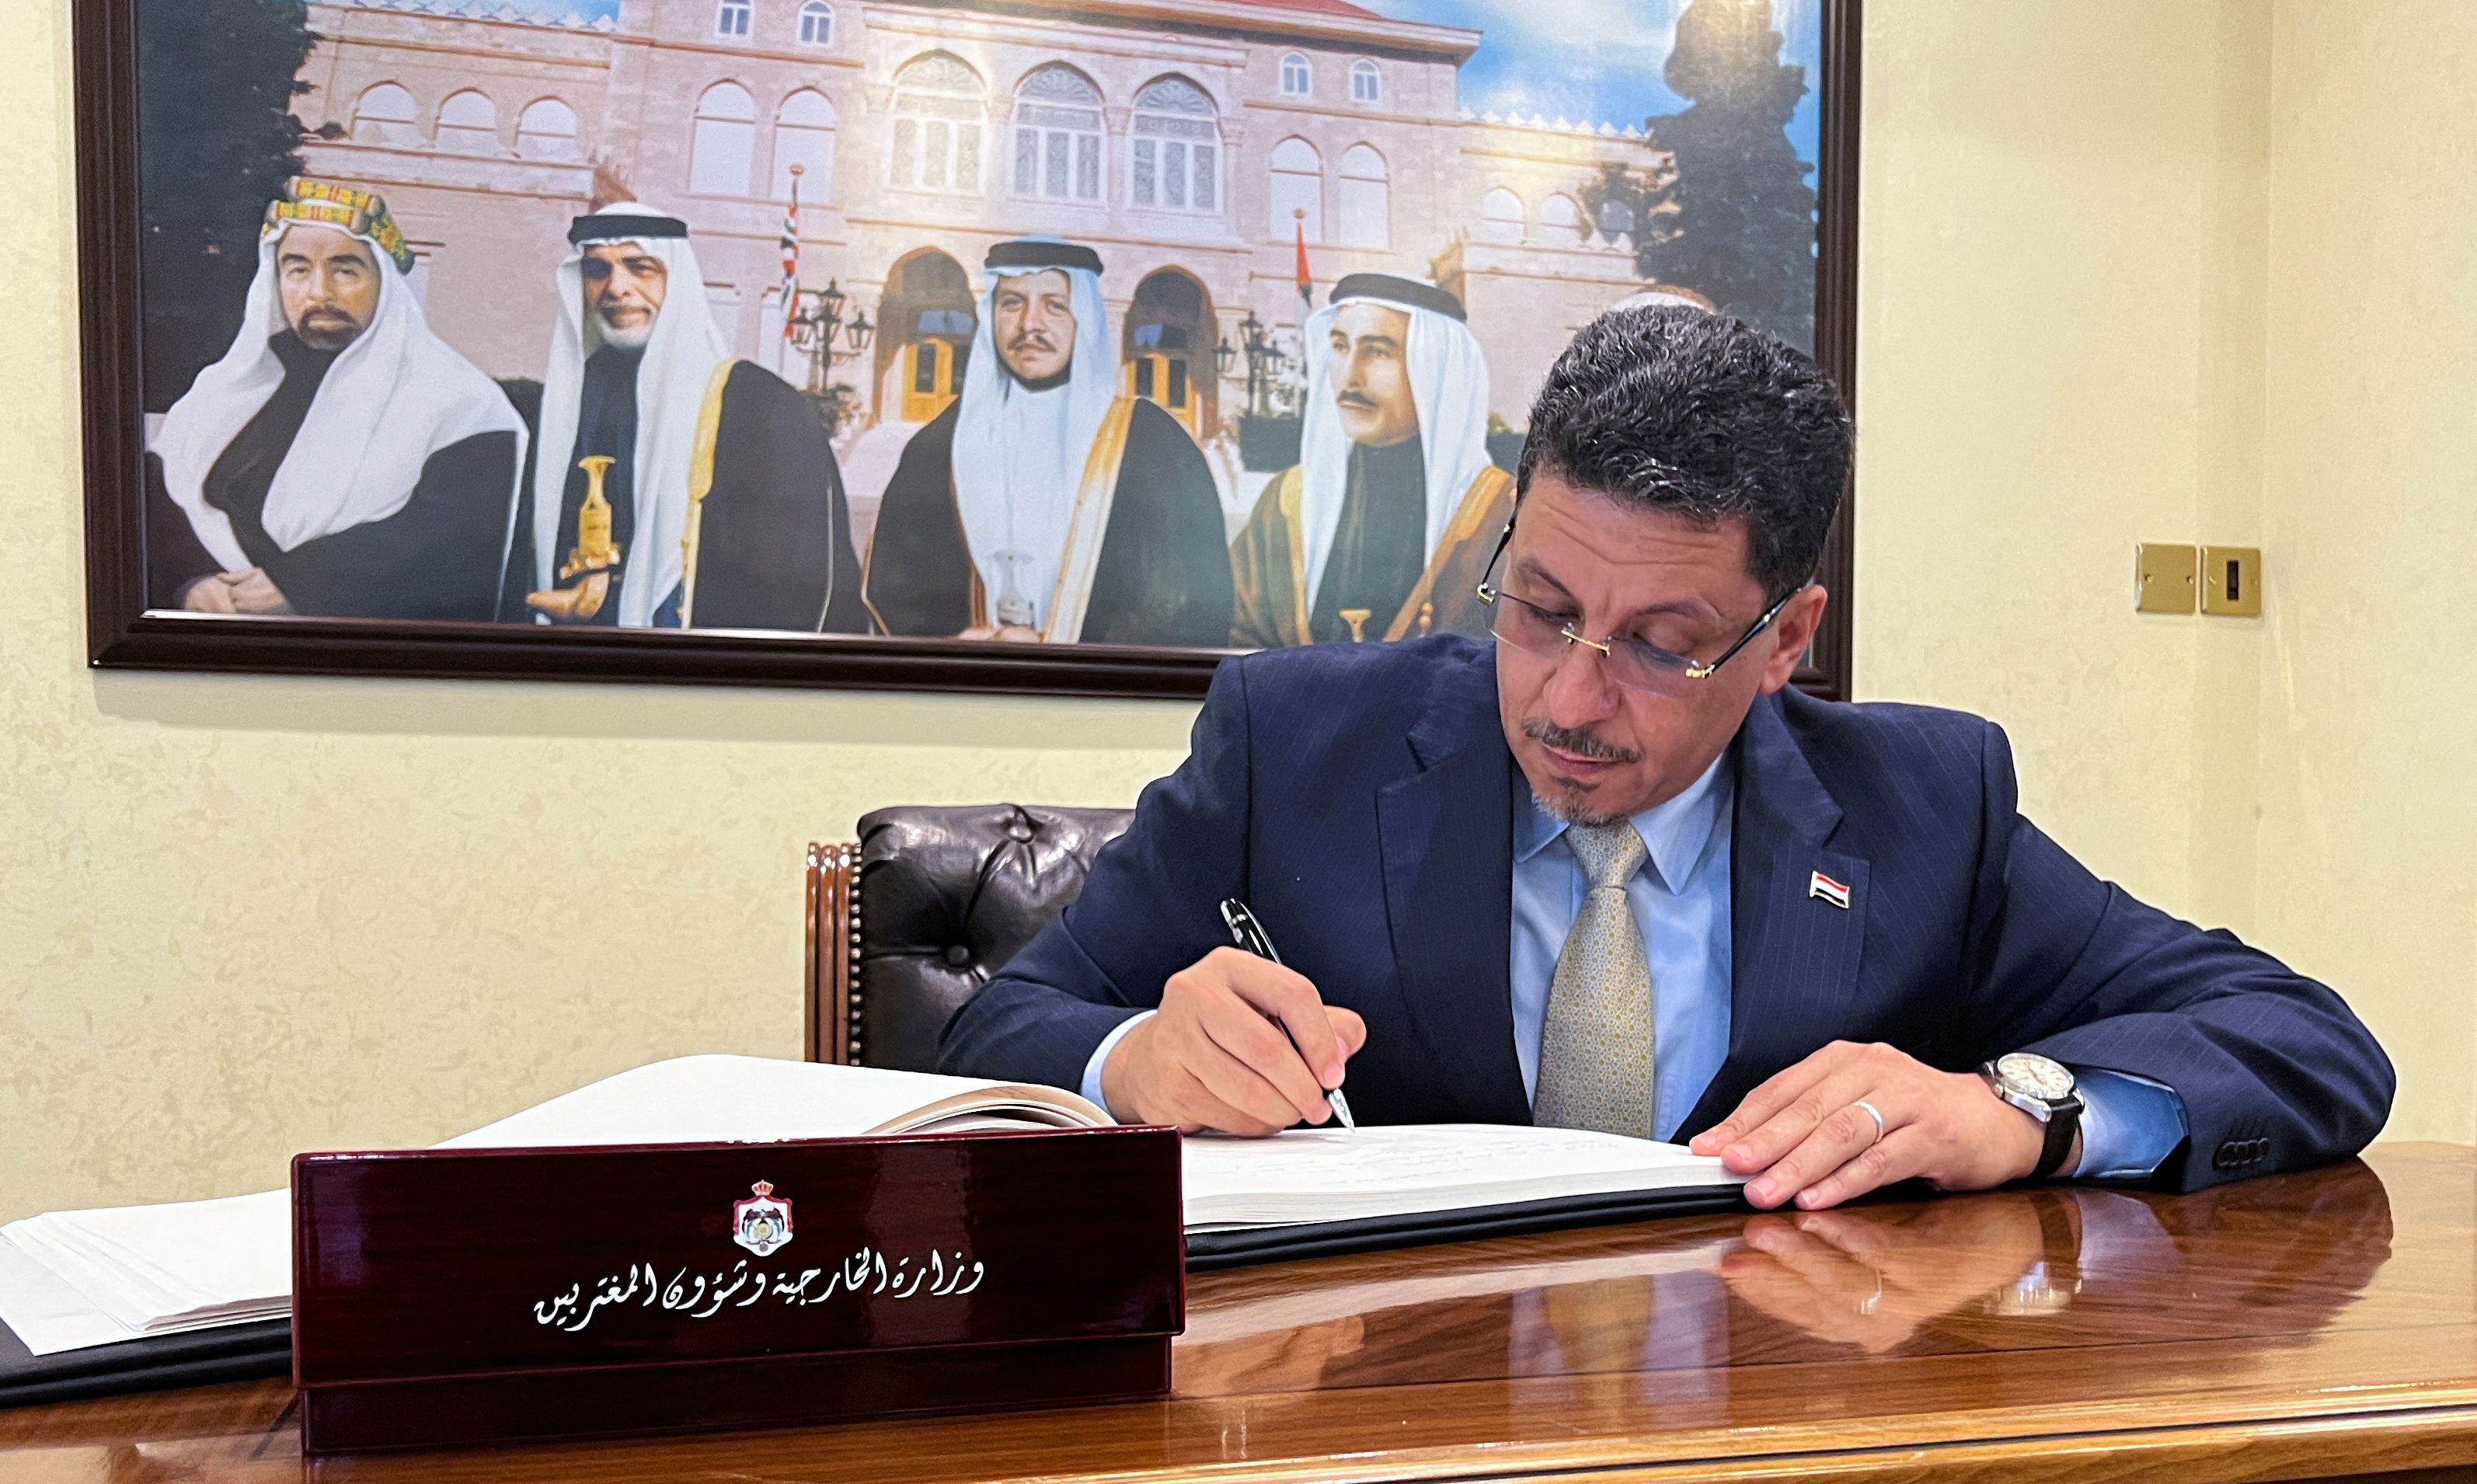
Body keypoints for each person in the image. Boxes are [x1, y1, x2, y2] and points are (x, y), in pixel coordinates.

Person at [941, 305, 2394, 1204]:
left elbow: (2301, 1038)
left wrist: (2021, 1107)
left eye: (1659, 643)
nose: (1570, 698)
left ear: (1785, 637)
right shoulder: (1292, 741)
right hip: (1370, 1456)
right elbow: (989, 1036)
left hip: (1780, 1472)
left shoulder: (1923, 805)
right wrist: (1133, 1054)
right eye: (1544, 608)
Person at [145, 178, 521, 619]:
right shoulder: (226, 390)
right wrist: (190, 580)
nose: (319, 292)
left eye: (345, 270)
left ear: (384, 283)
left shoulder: (465, 405)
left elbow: (456, 544)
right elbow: (156, 501)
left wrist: (300, 582)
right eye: (298, 268)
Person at [514, 204, 867, 632]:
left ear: (676, 280)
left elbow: (799, 587)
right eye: (596, 271)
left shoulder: (759, 406)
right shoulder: (568, 403)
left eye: (640, 267)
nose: (615, 288)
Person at [863, 238, 1232, 646]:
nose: (1030, 325)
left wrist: (1071, 648)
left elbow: (1186, 596)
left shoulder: (1153, 443)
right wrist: (964, 639)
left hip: (1105, 693)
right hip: (969, 687)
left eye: (1054, 305)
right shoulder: (938, 445)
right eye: (1012, 304)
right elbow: (897, 586)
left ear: (1084, 320)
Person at [1229, 274, 1510, 648]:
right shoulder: (1284, 503)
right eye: (1341, 347)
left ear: (1436, 372)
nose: (1351, 376)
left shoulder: (1499, 513)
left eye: (1378, 352)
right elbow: (1239, 644)